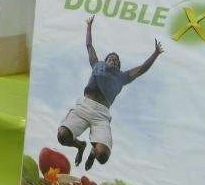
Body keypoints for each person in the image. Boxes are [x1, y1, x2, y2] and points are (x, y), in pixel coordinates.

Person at [57, 16, 163, 171]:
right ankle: (80, 145)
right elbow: (89, 45)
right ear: (105, 60)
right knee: (62, 136)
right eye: (111, 58)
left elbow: (141, 69)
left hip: (101, 115)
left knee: (103, 156)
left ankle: (93, 153)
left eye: (117, 60)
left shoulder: (122, 77)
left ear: (118, 66)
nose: (114, 60)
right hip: (84, 106)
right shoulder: (97, 64)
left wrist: (155, 53)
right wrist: (89, 25)